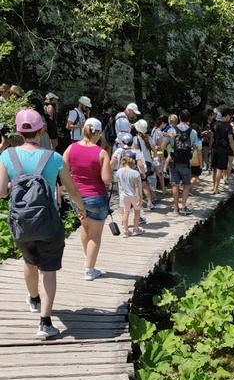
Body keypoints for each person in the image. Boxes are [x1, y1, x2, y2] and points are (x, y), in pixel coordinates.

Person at [0, 109, 85, 338]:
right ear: (42, 129)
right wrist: (81, 208)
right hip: (49, 222)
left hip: (20, 222)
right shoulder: (54, 157)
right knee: (48, 270)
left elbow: (1, 192)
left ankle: (34, 299)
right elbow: (71, 190)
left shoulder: (7, 156)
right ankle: (45, 323)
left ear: (18, 131)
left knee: (28, 261)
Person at [63, 118, 112, 281]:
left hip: (77, 197)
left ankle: (88, 260)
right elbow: (106, 179)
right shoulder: (101, 153)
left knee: (85, 228)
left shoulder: (71, 148)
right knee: (95, 235)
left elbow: (63, 171)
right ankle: (90, 269)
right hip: (96, 197)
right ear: (97, 133)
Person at [163, 109, 199, 215]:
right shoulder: (193, 132)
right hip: (186, 162)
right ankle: (184, 206)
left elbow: (163, 146)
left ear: (179, 117)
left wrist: (171, 150)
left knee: (175, 185)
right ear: (189, 119)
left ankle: (175, 208)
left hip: (174, 161)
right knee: (187, 185)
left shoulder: (172, 130)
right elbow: (196, 147)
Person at [116, 151, 143, 237]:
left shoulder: (119, 171)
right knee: (137, 211)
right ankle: (135, 229)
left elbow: (120, 184)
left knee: (126, 212)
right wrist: (139, 197)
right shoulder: (135, 173)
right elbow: (136, 186)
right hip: (133, 195)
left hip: (124, 195)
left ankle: (126, 231)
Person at [133, 119, 156, 210]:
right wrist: (154, 159)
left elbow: (135, 152)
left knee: (142, 184)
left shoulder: (135, 139)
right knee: (146, 182)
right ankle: (150, 201)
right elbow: (154, 150)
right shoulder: (148, 138)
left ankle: (147, 203)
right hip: (149, 162)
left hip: (141, 163)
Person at [211, 110, 234, 194]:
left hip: (215, 148)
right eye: (229, 116)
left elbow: (212, 137)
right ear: (226, 116)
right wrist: (233, 150)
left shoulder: (215, 124)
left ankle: (213, 186)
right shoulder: (228, 126)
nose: (230, 118)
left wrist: (211, 146)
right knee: (219, 169)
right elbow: (230, 139)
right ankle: (216, 189)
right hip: (223, 149)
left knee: (214, 168)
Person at [190, 123, 203, 191]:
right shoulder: (198, 139)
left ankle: (189, 188)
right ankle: (188, 188)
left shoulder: (189, 136)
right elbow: (199, 153)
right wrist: (201, 164)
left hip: (189, 159)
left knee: (191, 175)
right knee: (196, 175)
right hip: (196, 161)